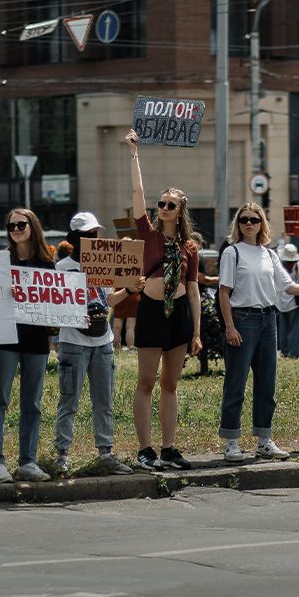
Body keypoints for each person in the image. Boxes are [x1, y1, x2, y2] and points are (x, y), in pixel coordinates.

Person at [121, 130, 202, 471]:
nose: (164, 208)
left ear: (180, 211)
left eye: (171, 205)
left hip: (179, 314)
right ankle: (145, 449)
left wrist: (196, 332)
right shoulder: (148, 234)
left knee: (171, 384)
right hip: (152, 311)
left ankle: (169, 448)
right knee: (146, 382)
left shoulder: (190, 247)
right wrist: (134, 153)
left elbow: (193, 289)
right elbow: (137, 193)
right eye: (162, 203)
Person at [217, 203, 299, 463]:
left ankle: (264, 440)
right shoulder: (232, 252)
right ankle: (231, 441)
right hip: (242, 319)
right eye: (244, 220)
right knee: (236, 383)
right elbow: (224, 293)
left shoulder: (269, 255)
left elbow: (289, 287)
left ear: (262, 223)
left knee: (266, 384)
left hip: (269, 319)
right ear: (238, 224)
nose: (249, 224)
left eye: (254, 219)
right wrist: (230, 326)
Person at [55, 212, 131, 476]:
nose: (94, 238)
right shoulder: (62, 268)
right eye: (88, 234)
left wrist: (130, 290)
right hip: (73, 342)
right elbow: (56, 305)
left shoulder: (102, 263)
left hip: (102, 341)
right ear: (75, 238)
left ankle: (106, 453)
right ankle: (62, 454)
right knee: (69, 400)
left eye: (95, 233)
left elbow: (107, 300)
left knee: (104, 400)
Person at [0, 206, 55, 482]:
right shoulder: (1, 262)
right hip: (4, 338)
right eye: (11, 226)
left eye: (21, 225)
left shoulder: (47, 264)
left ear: (32, 227)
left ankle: (28, 461)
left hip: (36, 340)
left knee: (32, 403)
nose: (15, 230)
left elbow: (56, 302)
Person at [277, 244, 299, 359]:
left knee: (283, 329)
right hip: (295, 302)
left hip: (281, 304)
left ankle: (284, 351)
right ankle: (294, 354)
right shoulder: (297, 266)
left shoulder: (279, 267)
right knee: (296, 330)